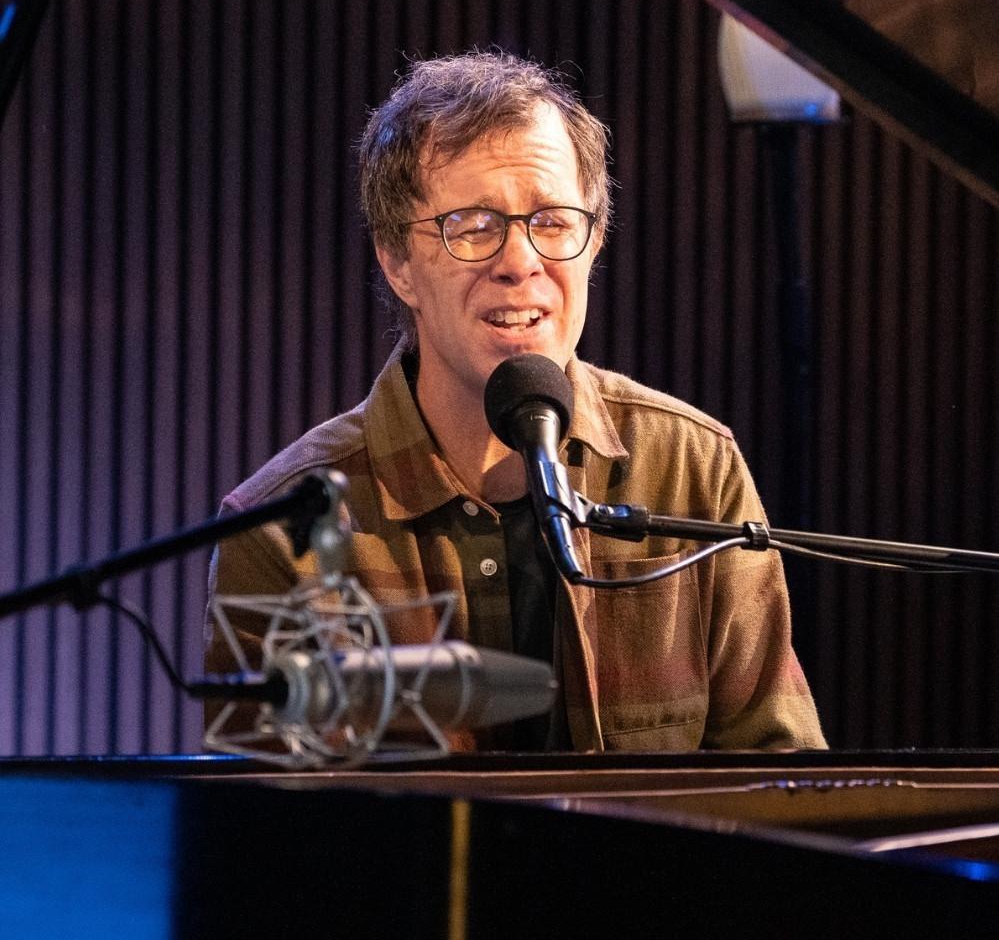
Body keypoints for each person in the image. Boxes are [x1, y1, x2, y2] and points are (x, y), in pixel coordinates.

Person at [205, 50, 825, 752]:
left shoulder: (693, 468)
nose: (521, 261)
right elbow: (264, 814)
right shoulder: (279, 528)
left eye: (553, 221)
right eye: (473, 225)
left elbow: (780, 774)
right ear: (397, 261)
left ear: (594, 242)